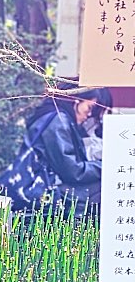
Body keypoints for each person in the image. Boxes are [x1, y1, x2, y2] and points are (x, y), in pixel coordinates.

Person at [23, 85, 112, 215]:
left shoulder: (56, 116)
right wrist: (106, 167)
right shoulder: (58, 120)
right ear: (76, 101)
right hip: (47, 191)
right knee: (103, 187)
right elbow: (73, 171)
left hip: (44, 186)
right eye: (89, 108)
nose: (89, 115)